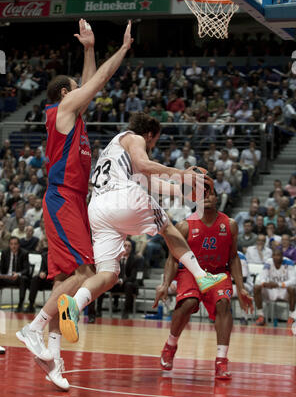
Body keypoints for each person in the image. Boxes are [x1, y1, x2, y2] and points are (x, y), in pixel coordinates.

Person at [16, 19, 135, 391]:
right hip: (62, 197)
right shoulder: (63, 110)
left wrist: (87, 48)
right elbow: (96, 83)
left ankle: (53, 358)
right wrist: (122, 50)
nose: (82, 93)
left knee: (65, 282)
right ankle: (33, 328)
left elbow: (86, 84)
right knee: (85, 274)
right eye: (76, 90)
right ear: (66, 92)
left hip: (71, 200)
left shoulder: (72, 116)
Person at [57, 116, 229, 345]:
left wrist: (182, 193)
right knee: (167, 227)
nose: (153, 146)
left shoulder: (115, 149)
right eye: (154, 141)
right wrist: (180, 174)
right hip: (120, 198)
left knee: (108, 275)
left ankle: (74, 305)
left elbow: (149, 180)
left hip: (98, 209)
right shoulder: (134, 138)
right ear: (150, 135)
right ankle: (201, 276)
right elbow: (146, 165)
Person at [154, 186, 253, 378]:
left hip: (218, 273)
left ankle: (221, 361)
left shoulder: (230, 224)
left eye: (211, 194)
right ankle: (170, 345)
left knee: (224, 304)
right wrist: (165, 284)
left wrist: (240, 287)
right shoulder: (184, 226)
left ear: (218, 198)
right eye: (202, 195)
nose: (207, 197)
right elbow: (173, 258)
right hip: (191, 273)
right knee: (189, 303)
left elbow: (233, 258)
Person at [254, 249, 296, 327]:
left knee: (292, 289)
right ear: (272, 256)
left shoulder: (289, 263)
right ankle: (261, 316)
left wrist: (278, 284)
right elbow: (261, 276)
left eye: (278, 255)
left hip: (284, 290)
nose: (276, 257)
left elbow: (294, 280)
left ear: (282, 256)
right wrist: (265, 283)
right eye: (274, 255)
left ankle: (291, 317)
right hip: (271, 290)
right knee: (256, 287)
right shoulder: (268, 262)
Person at [109, 239, 144, 319]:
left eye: (129, 246)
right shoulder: (115, 259)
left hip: (128, 284)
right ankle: (97, 311)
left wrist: (121, 281)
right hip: (116, 284)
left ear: (131, 249)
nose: (127, 248)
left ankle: (126, 311)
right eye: (125, 246)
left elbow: (133, 276)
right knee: (102, 283)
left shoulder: (135, 259)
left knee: (128, 285)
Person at [0, 237, 30, 313]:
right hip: (6, 277)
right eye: (11, 244)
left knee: (23, 279)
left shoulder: (24, 253)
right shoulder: (4, 252)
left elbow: (26, 269)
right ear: (9, 245)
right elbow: (1, 267)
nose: (13, 246)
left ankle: (20, 305)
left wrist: (18, 274)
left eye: (15, 244)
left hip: (17, 278)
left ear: (19, 245)